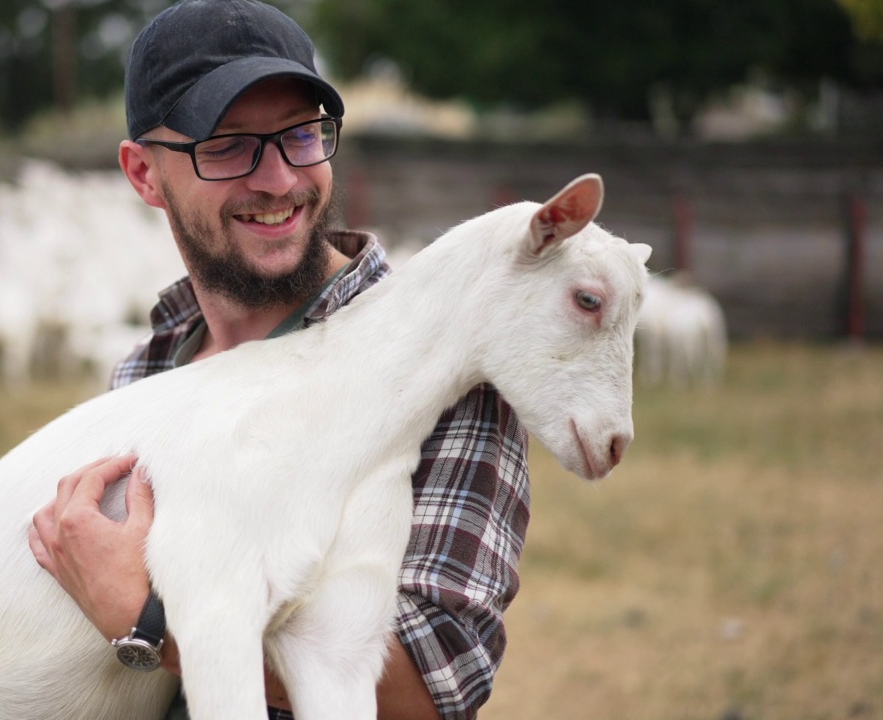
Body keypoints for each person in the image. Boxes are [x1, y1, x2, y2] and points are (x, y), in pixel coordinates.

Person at [27, 1, 530, 718]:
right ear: (143, 174)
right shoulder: (147, 374)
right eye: (228, 145)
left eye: (300, 136)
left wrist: (146, 622)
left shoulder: (442, 372)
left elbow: (428, 685)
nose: (279, 180)